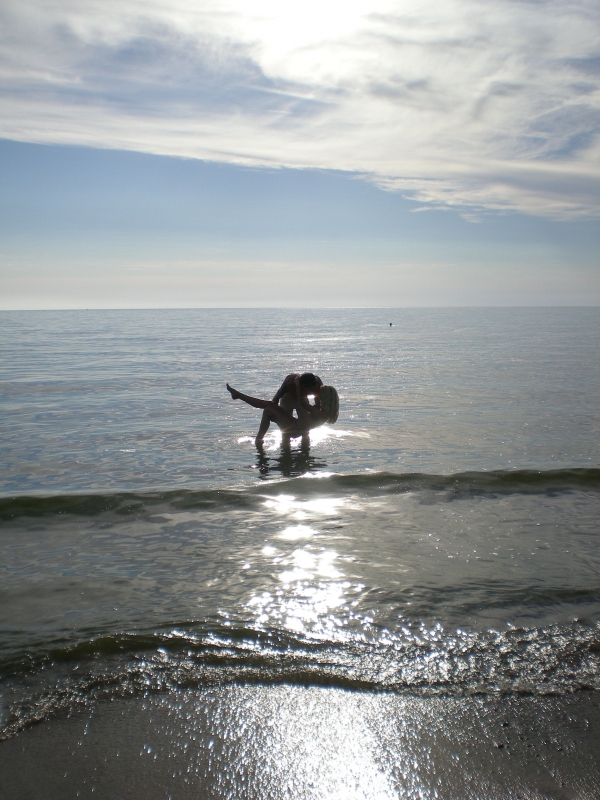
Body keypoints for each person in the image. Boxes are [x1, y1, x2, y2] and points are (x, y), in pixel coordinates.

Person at [226, 381, 339, 447]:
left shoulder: (321, 414)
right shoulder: (322, 411)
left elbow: (302, 403)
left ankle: (259, 439)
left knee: (268, 411)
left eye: (319, 394)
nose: (316, 395)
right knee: (270, 404)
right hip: (295, 424)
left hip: (295, 429)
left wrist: (299, 385)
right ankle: (238, 395)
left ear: (326, 398)